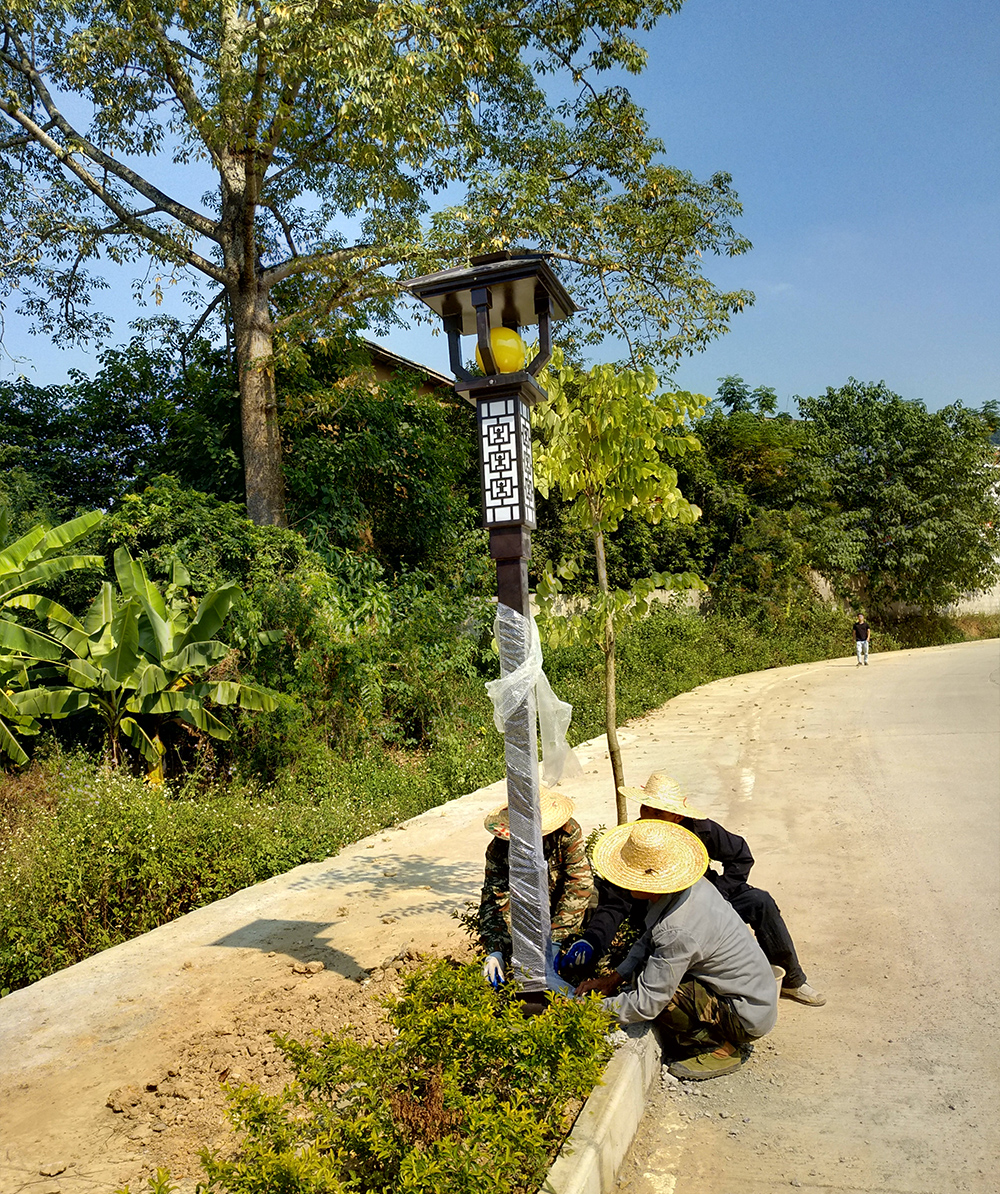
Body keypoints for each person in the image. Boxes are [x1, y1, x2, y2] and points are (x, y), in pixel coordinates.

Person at [559, 772, 826, 1006]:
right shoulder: (640, 840)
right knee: (664, 938)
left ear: (677, 815)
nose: (650, 817)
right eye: (646, 809)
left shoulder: (701, 829)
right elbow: (616, 900)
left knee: (760, 901)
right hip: (660, 909)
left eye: (659, 813)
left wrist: (719, 893)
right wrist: (593, 940)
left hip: (708, 897)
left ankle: (791, 979)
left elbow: (741, 856)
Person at [577, 818, 778, 1081]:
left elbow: (647, 1004)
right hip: (754, 997)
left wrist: (585, 1010)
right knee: (649, 975)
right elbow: (649, 938)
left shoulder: (677, 932)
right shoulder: (690, 887)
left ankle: (719, 1048)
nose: (623, 884)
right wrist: (614, 978)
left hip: (746, 1015)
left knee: (664, 999)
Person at [479, 786, 594, 988]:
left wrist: (556, 940)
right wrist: (497, 950)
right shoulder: (499, 848)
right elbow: (495, 898)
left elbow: (579, 884)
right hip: (527, 910)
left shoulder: (566, 834)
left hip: (561, 909)